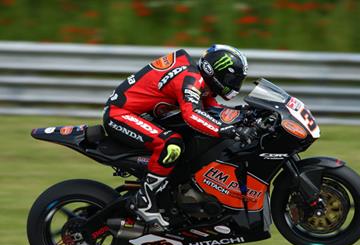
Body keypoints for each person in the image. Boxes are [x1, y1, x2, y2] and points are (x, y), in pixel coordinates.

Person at [103, 44, 254, 230]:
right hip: (120, 115)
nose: (233, 84)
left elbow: (213, 111)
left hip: (140, 116)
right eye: (231, 78)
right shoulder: (190, 78)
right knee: (171, 143)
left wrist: (245, 115)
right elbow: (193, 115)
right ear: (215, 70)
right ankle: (144, 199)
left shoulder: (200, 82)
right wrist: (226, 130)